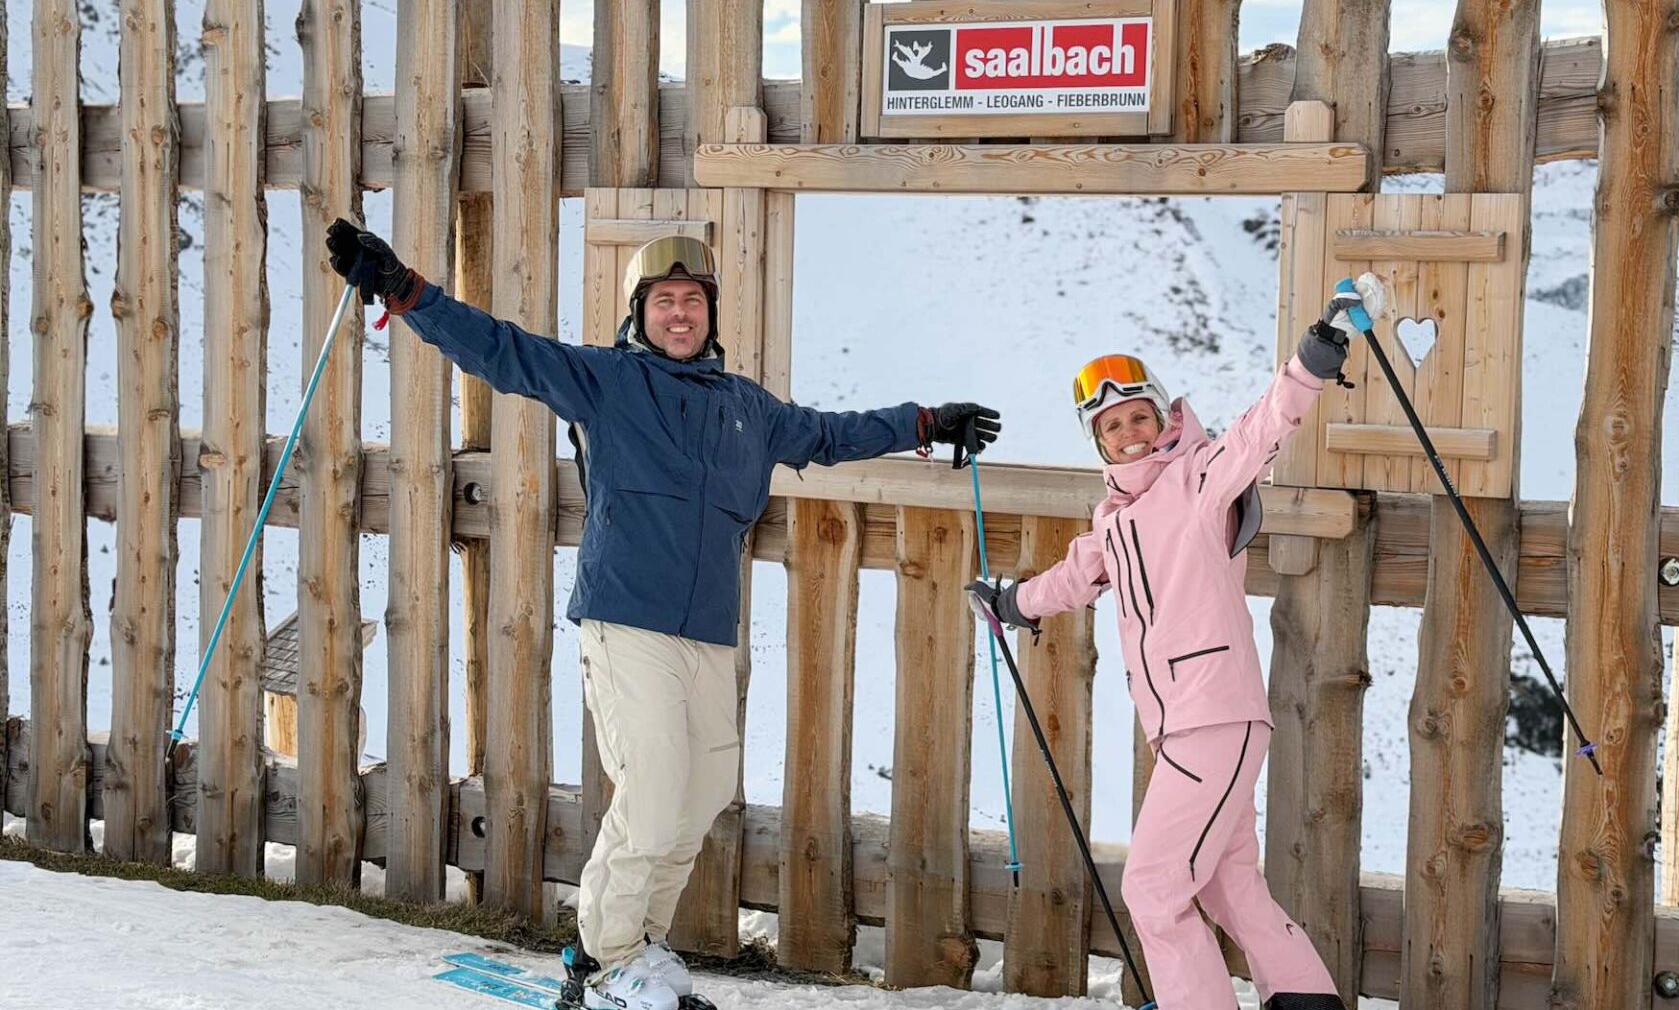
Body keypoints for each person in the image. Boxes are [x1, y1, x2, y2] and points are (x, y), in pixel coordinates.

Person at [324, 221, 1000, 1010]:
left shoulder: (749, 408)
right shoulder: (605, 380)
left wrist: (924, 420)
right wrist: (407, 291)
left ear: (712, 315)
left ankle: (617, 948)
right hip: (625, 618)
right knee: (651, 792)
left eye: (694, 301)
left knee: (697, 795)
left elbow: (827, 434)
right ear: (639, 314)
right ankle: (615, 964)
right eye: (664, 301)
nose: (680, 315)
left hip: (708, 631)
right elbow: (502, 350)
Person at [966, 276, 1386, 1010]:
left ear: (1162, 416)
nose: (1129, 433)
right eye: (1112, 427)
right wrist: (1013, 605)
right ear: (1097, 441)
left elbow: (1261, 432)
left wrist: (1311, 363)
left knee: (1154, 889)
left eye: (1138, 416)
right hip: (1184, 726)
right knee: (1228, 885)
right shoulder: (1115, 520)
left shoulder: (1198, 479)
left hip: (1213, 716)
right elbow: (1073, 578)